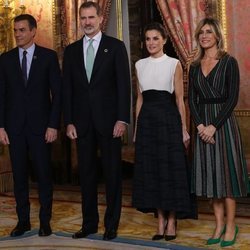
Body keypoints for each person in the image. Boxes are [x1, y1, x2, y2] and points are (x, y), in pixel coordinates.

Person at [62, 2, 131, 241]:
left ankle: (111, 224)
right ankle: (89, 224)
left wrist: (122, 119)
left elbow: (124, 86)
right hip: (82, 124)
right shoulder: (71, 51)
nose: (87, 22)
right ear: (80, 20)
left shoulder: (115, 47)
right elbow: (67, 90)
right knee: (87, 175)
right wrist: (69, 121)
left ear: (100, 18)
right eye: (83, 18)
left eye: (91, 17)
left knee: (112, 175)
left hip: (110, 122)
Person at [188, 17, 250, 247]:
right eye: (201, 32)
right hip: (202, 125)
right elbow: (192, 101)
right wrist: (200, 126)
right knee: (211, 180)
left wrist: (213, 125)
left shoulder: (229, 62)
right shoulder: (193, 66)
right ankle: (218, 224)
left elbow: (232, 98)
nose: (204, 35)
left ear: (217, 36)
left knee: (226, 179)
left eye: (209, 32)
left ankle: (231, 226)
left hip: (223, 125)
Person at [132, 22, 196, 242]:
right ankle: (159, 220)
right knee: (152, 170)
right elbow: (139, 99)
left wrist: (184, 129)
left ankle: (172, 219)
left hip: (168, 119)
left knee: (169, 170)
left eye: (156, 38)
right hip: (147, 122)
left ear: (164, 40)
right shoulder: (139, 65)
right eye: (148, 39)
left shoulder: (174, 63)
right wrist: (136, 129)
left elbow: (179, 99)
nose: (151, 43)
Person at [0, 14, 62, 237]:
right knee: (19, 177)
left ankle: (45, 221)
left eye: (22, 30)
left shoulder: (48, 57)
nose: (18, 34)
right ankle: (23, 221)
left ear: (33, 31)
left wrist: (53, 125)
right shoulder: (5, 59)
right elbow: (1, 96)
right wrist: (1, 127)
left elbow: (58, 94)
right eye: (15, 30)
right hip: (14, 128)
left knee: (44, 176)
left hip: (41, 128)